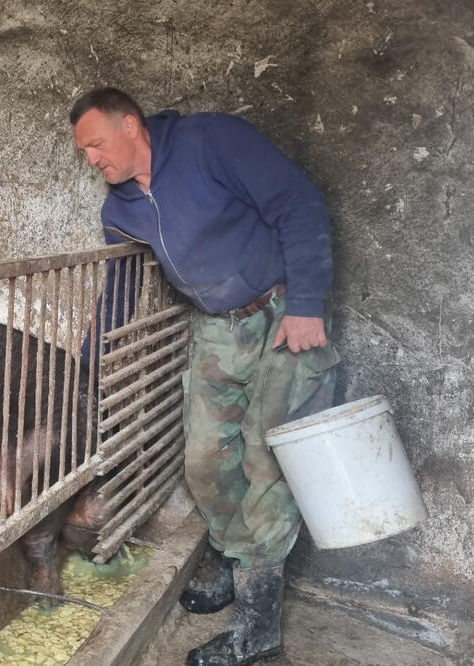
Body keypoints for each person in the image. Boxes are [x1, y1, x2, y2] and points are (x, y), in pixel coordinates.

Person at [69, 87, 340, 666]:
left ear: (131, 126)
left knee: (267, 463)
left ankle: (257, 631)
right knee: (206, 459)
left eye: (95, 144)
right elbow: (118, 290)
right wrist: (87, 363)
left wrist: (308, 304)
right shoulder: (119, 210)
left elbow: (298, 203)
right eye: (83, 151)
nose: (90, 159)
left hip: (280, 313)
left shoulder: (211, 141)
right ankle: (234, 560)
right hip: (217, 327)